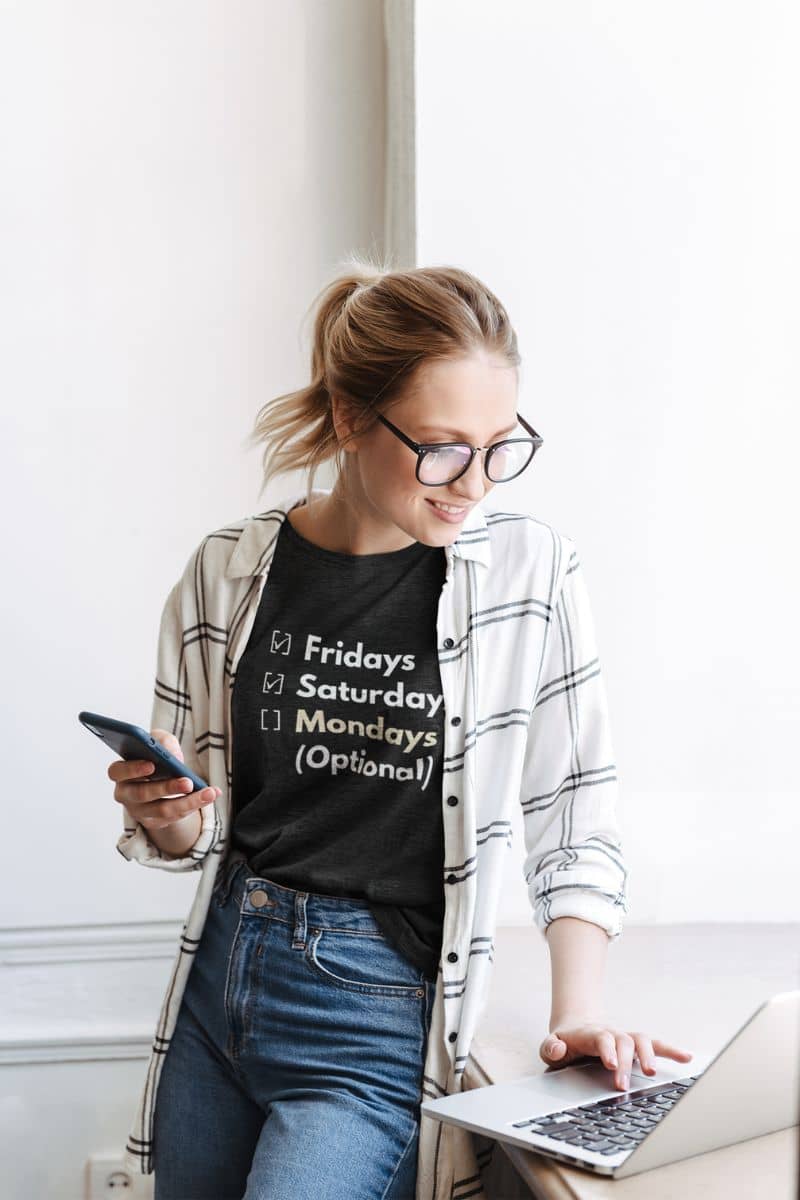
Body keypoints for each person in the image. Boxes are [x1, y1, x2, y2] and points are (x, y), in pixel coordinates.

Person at [110, 259, 692, 1200]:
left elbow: (576, 814)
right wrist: (167, 813)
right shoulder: (228, 569)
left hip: (373, 1019)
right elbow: (195, 833)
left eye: (500, 445)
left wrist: (576, 1010)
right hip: (222, 985)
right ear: (349, 418)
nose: (475, 484)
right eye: (443, 448)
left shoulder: (527, 575)